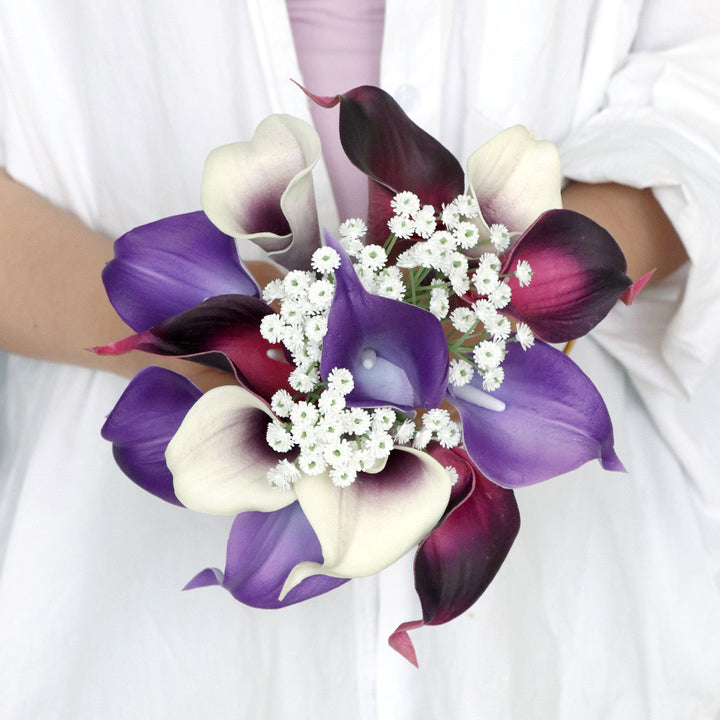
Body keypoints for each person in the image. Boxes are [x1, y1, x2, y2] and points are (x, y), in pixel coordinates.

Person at [1, 1, 719, 718]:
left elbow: (699, 74)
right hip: (106, 577)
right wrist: (231, 341)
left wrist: (503, 293)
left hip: (581, 580)